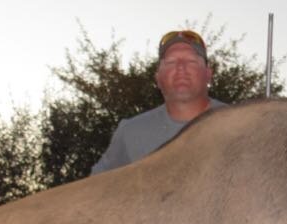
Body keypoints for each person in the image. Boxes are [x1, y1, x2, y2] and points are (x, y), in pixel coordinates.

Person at [91, 29, 225, 174]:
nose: (181, 68)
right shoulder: (130, 132)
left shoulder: (240, 126)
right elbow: (95, 187)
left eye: (191, 61)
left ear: (208, 74)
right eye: (171, 62)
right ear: (158, 78)